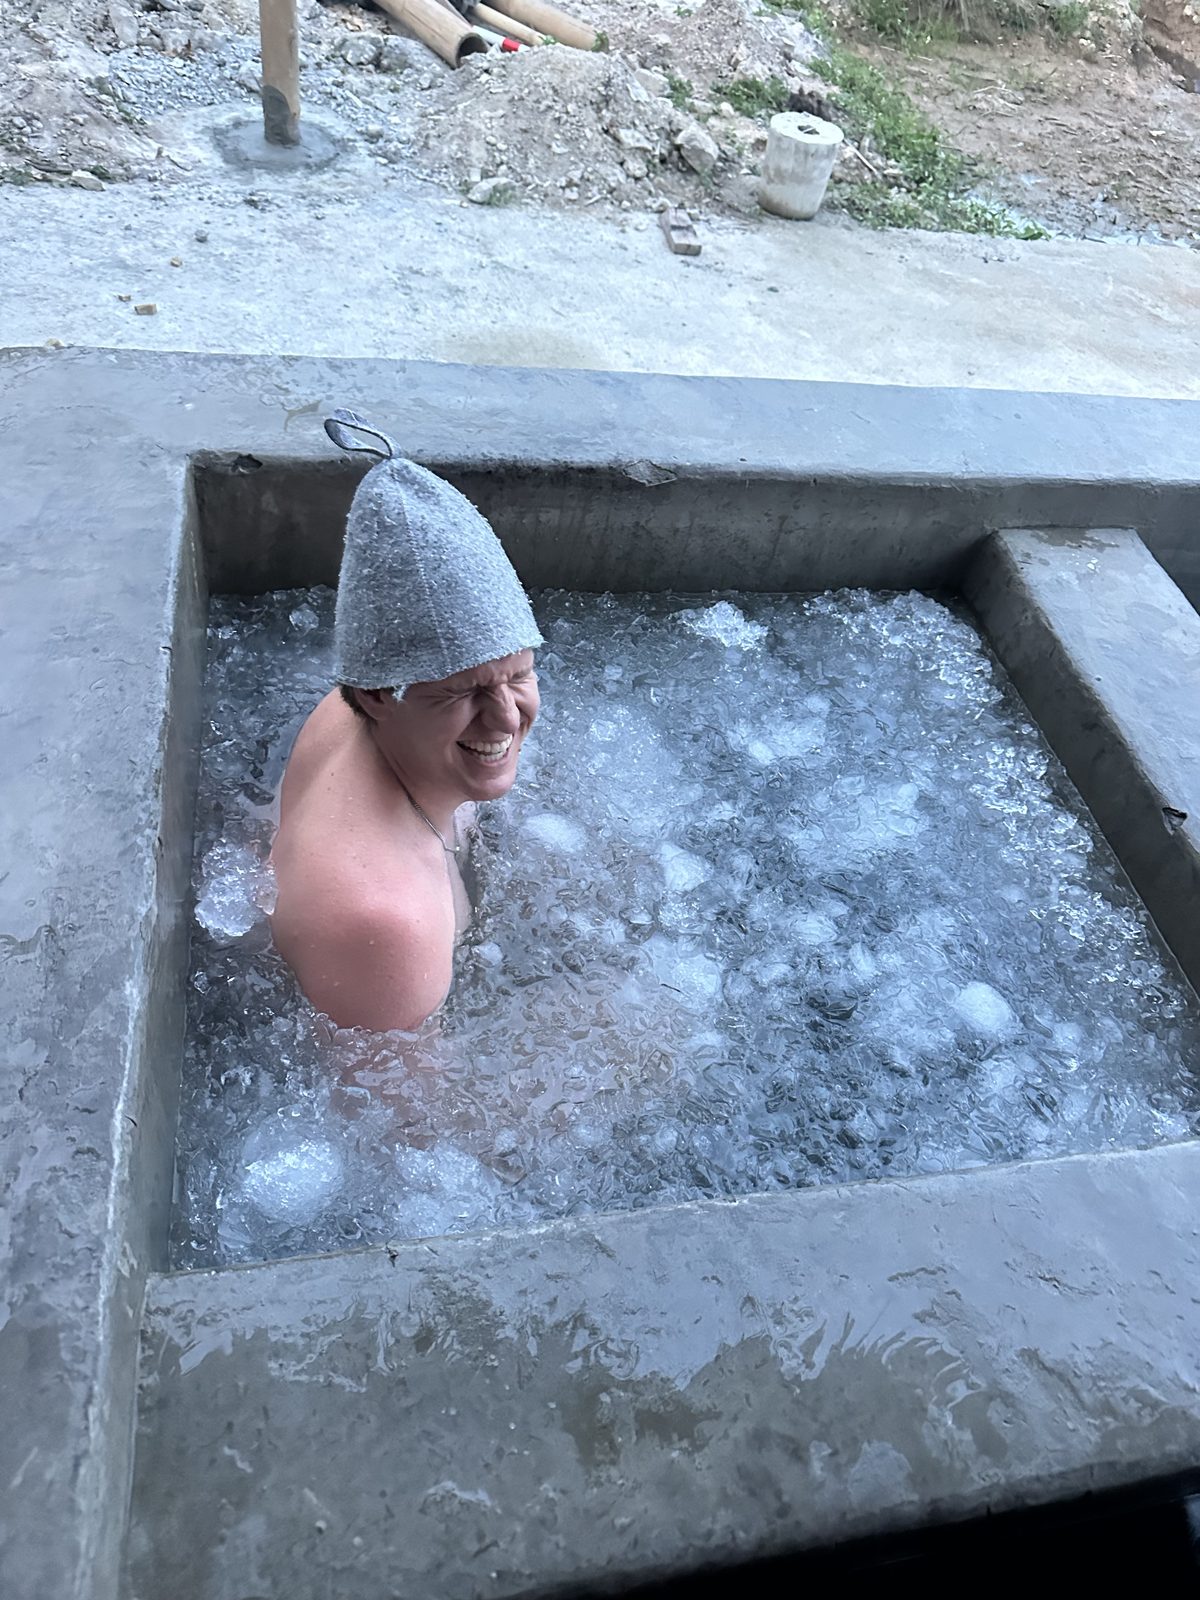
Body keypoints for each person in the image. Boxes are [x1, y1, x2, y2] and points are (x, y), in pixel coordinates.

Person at [269, 410, 543, 1032]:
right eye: (461, 693)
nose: (507, 716)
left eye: (520, 675)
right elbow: (418, 1126)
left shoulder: (360, 712)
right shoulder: (388, 922)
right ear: (371, 696)